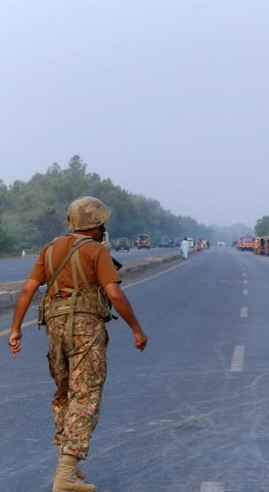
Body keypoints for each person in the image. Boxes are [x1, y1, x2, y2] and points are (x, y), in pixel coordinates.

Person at [7, 196, 148, 492]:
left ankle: (68, 462)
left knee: (64, 393)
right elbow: (115, 294)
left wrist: (16, 329)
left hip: (54, 329)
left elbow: (27, 290)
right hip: (85, 330)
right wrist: (137, 329)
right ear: (95, 223)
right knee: (85, 395)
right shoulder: (96, 250)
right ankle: (66, 475)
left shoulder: (49, 249)